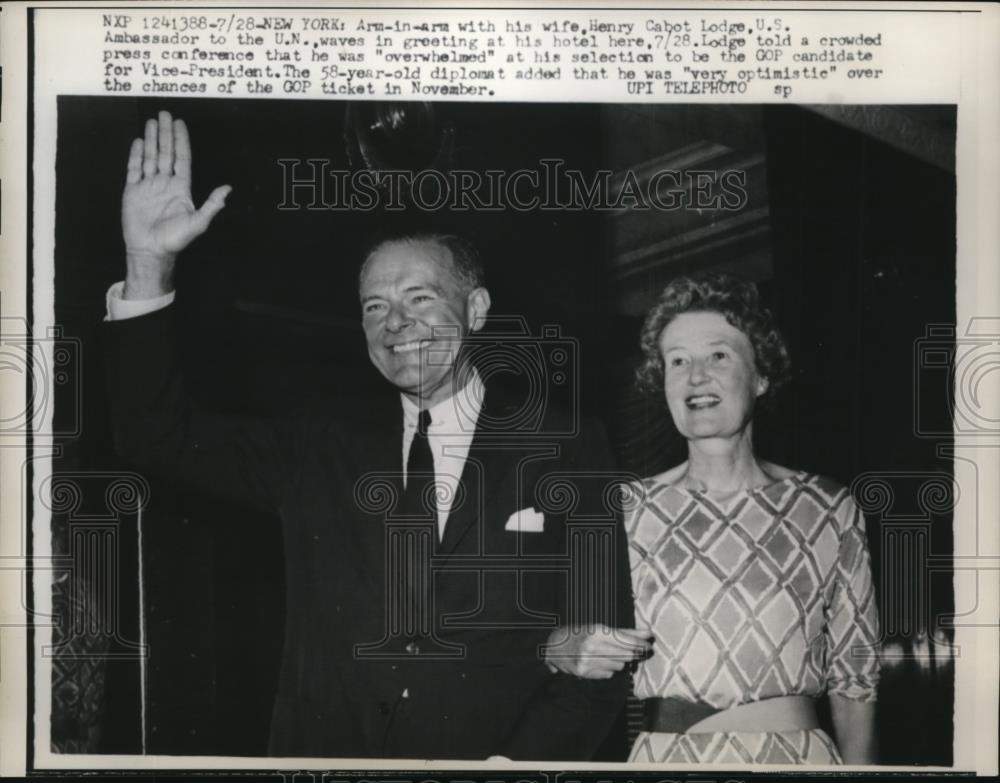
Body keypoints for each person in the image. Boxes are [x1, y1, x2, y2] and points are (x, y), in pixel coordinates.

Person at [102, 111, 633, 760]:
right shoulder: (315, 447)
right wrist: (147, 264)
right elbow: (154, 435)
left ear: (476, 310)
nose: (396, 323)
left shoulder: (568, 445)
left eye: (420, 298)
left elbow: (599, 660)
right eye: (374, 307)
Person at [546, 273, 881, 764]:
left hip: (795, 761)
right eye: (677, 361)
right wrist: (564, 646)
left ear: (761, 376)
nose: (695, 375)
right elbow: (543, 636)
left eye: (718, 355)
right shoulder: (621, 510)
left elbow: (856, 678)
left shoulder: (827, 507)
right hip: (666, 760)